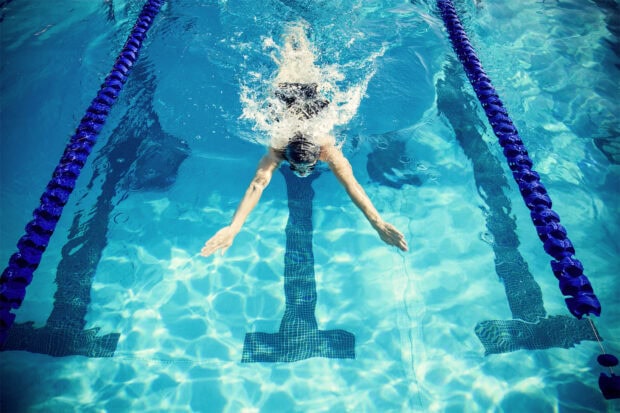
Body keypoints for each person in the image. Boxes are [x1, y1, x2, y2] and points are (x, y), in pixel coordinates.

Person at [200, 82, 408, 257]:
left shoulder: (326, 150)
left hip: (290, 97)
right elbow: (257, 185)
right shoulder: (278, 149)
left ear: (318, 156)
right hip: (293, 97)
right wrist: (233, 228)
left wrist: (377, 222)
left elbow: (259, 184)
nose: (301, 173)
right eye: (296, 168)